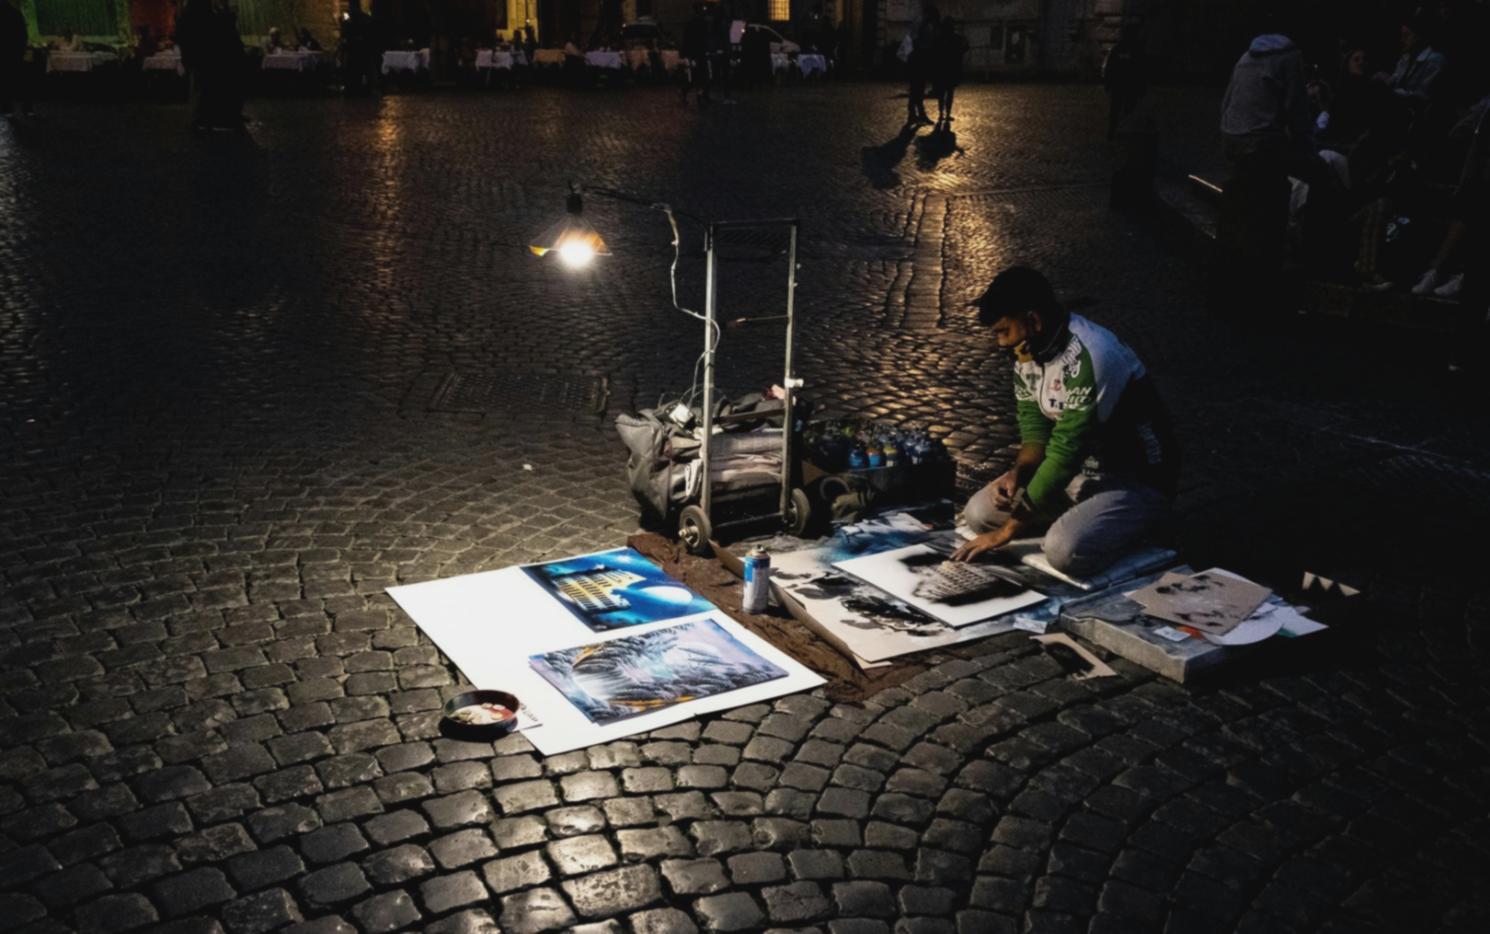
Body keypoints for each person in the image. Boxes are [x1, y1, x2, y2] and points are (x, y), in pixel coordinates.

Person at [951, 267, 1179, 577]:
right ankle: (1078, 520)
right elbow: (1035, 431)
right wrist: (1019, 473)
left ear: (1033, 320)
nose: (1000, 342)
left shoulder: (1094, 355)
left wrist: (1007, 532)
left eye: (1003, 331)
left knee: (1062, 551)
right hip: (1076, 477)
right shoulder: (1029, 350)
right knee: (978, 514)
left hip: (1133, 481)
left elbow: (1066, 451)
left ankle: (1140, 526)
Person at [1102, 26, 1148, 141]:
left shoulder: (1118, 49)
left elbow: (1109, 68)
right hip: (1129, 86)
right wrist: (1142, 87)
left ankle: (1114, 132)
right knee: (1126, 109)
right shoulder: (1136, 50)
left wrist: (1108, 83)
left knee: (1117, 110)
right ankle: (1122, 132)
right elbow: (1142, 70)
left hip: (1120, 86)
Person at [931, 16, 967, 127]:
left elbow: (933, 53)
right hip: (952, 69)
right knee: (949, 93)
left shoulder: (938, 38)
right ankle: (947, 114)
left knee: (941, 94)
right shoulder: (956, 38)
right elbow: (965, 48)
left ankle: (941, 114)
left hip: (941, 70)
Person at [0, 0, 34, 119]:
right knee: (15, 80)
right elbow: (20, 33)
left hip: (11, 51)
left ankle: (11, 108)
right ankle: (24, 108)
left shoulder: (13, 10)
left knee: (9, 81)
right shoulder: (10, 10)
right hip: (12, 51)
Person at [906, 4, 938, 126]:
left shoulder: (925, 24)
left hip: (920, 60)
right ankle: (914, 114)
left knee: (918, 89)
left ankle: (917, 114)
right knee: (916, 89)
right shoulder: (921, 24)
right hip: (918, 60)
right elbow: (915, 41)